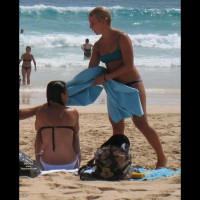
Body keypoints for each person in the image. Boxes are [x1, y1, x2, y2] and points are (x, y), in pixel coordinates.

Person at [87, 6, 167, 169]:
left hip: (132, 85)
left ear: (105, 20)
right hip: (114, 88)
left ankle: (162, 157)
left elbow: (129, 66)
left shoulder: (121, 38)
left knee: (141, 123)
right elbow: (91, 71)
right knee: (117, 125)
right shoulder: (98, 46)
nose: (91, 27)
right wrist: (77, 86)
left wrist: (105, 77)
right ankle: (118, 161)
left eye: (93, 23)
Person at [34, 80, 81, 170]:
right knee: (75, 133)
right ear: (62, 94)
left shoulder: (41, 111)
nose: (68, 95)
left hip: (45, 163)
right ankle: (78, 158)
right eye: (67, 92)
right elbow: (75, 135)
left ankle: (38, 158)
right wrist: (79, 157)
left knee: (39, 131)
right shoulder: (73, 112)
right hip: (70, 163)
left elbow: (38, 134)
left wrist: (37, 157)